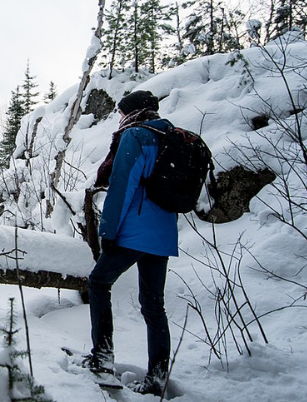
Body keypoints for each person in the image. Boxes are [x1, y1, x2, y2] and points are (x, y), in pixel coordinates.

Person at [86, 90, 178, 397]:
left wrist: (108, 231)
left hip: (134, 229)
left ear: (134, 112)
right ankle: (157, 377)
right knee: (154, 306)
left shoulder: (136, 136)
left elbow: (121, 188)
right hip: (162, 235)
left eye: (122, 112)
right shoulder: (171, 136)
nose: (120, 118)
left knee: (98, 282)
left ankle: (102, 359)